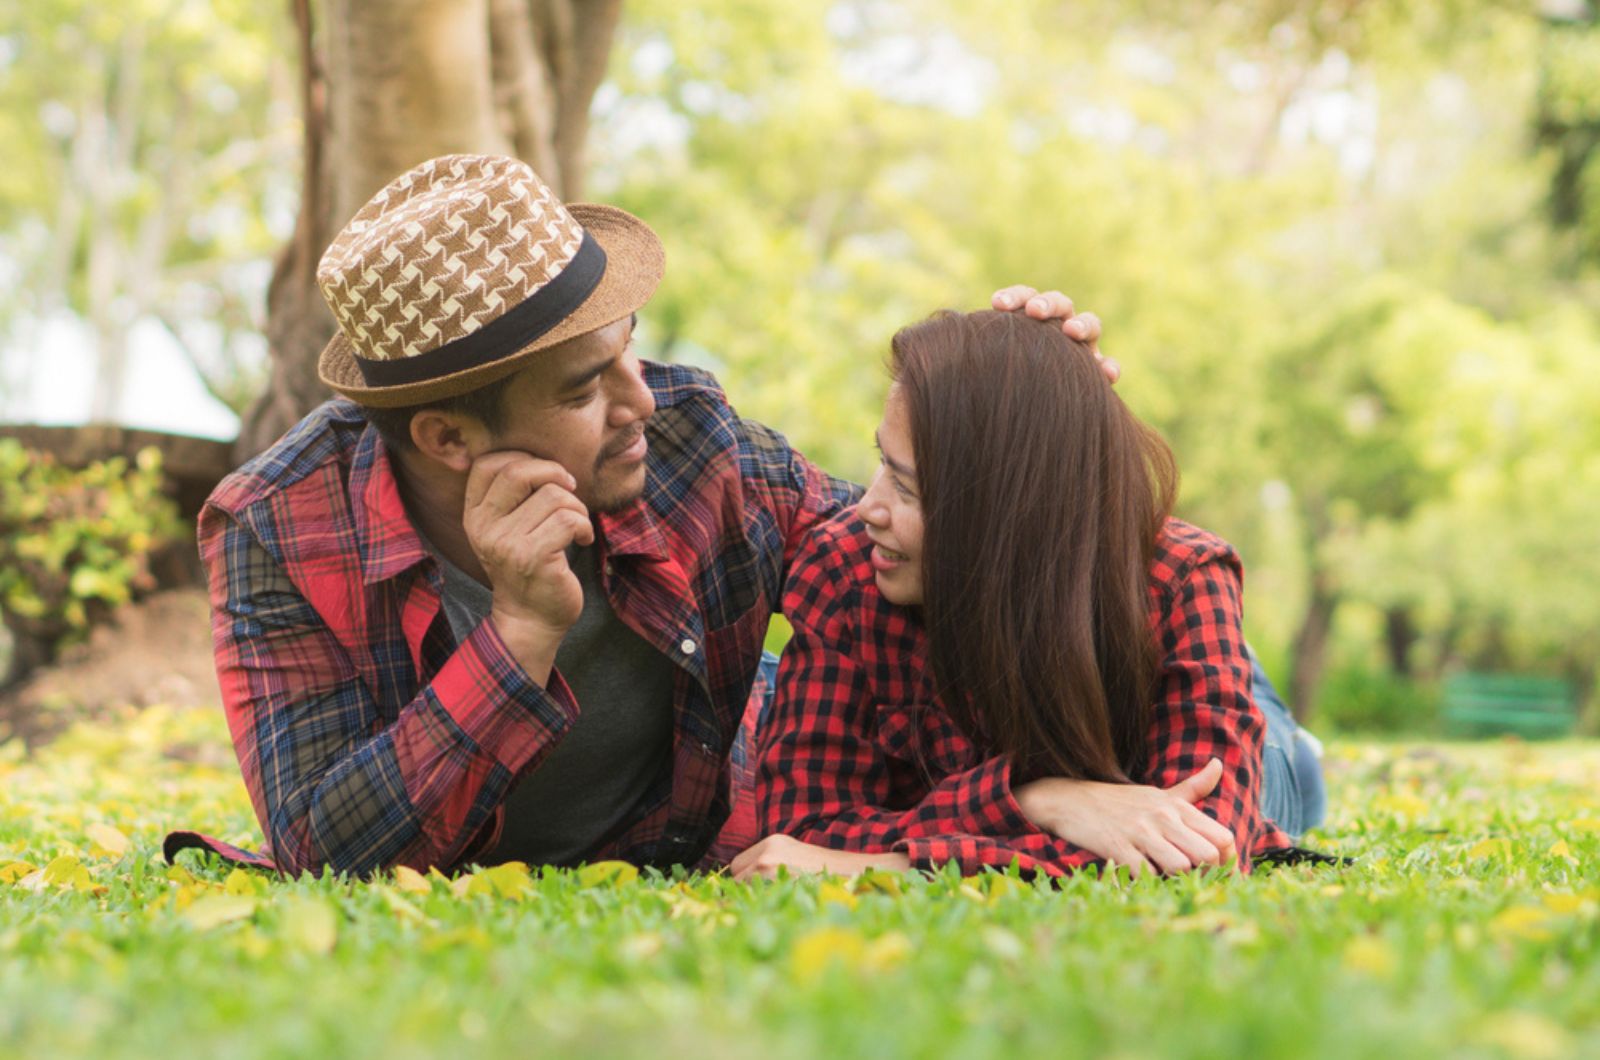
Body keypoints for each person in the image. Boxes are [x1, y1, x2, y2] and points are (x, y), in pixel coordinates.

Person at [163, 154, 1104, 876]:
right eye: (583, 390)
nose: (640, 402)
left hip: (742, 826)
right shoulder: (276, 530)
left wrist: (1027, 428)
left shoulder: (695, 441)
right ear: (448, 438)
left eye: (629, 352)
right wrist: (518, 635)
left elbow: (901, 558)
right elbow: (320, 850)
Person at [735, 310, 1324, 881]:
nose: (868, 507)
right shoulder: (844, 567)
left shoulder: (1186, 575)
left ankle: (1284, 729)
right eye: (881, 464)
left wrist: (891, 863)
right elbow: (805, 833)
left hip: (1259, 759)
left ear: (1009, 512)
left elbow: (1199, 851)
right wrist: (1037, 797)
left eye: (910, 489)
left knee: (1288, 761)